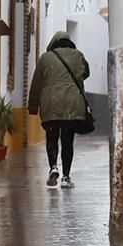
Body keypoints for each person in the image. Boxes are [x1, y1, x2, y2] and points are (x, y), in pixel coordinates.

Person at [27, 32, 91, 188]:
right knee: (67, 140)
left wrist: (33, 106)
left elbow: (36, 83)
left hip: (51, 103)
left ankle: (53, 167)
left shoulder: (45, 58)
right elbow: (86, 73)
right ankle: (66, 177)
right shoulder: (78, 56)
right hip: (71, 103)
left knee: (52, 136)